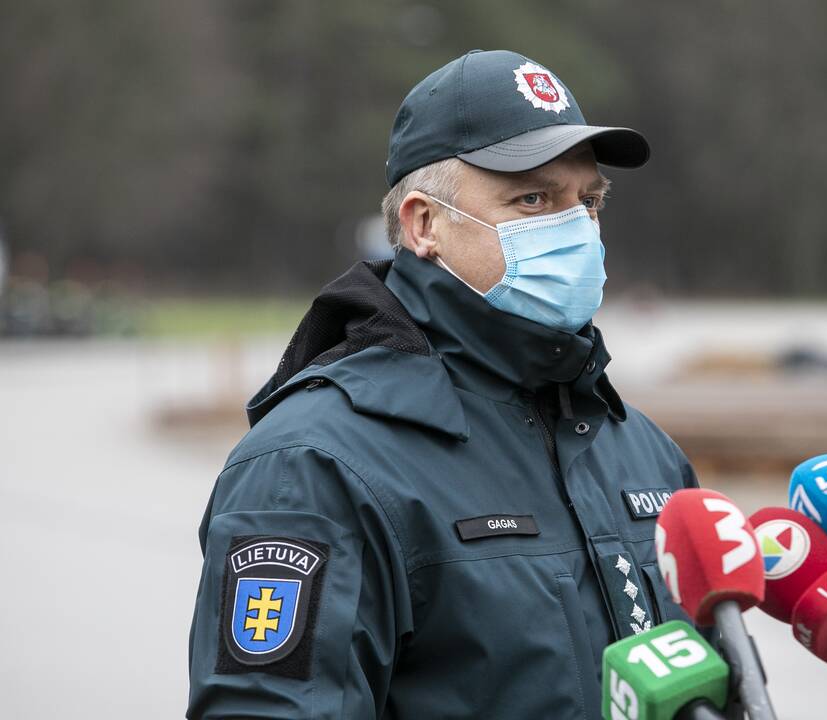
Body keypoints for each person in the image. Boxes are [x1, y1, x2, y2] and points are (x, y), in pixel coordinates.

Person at [187, 49, 698, 720]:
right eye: (534, 198)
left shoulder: (641, 449)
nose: (577, 229)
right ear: (423, 224)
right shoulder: (314, 466)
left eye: (589, 201)